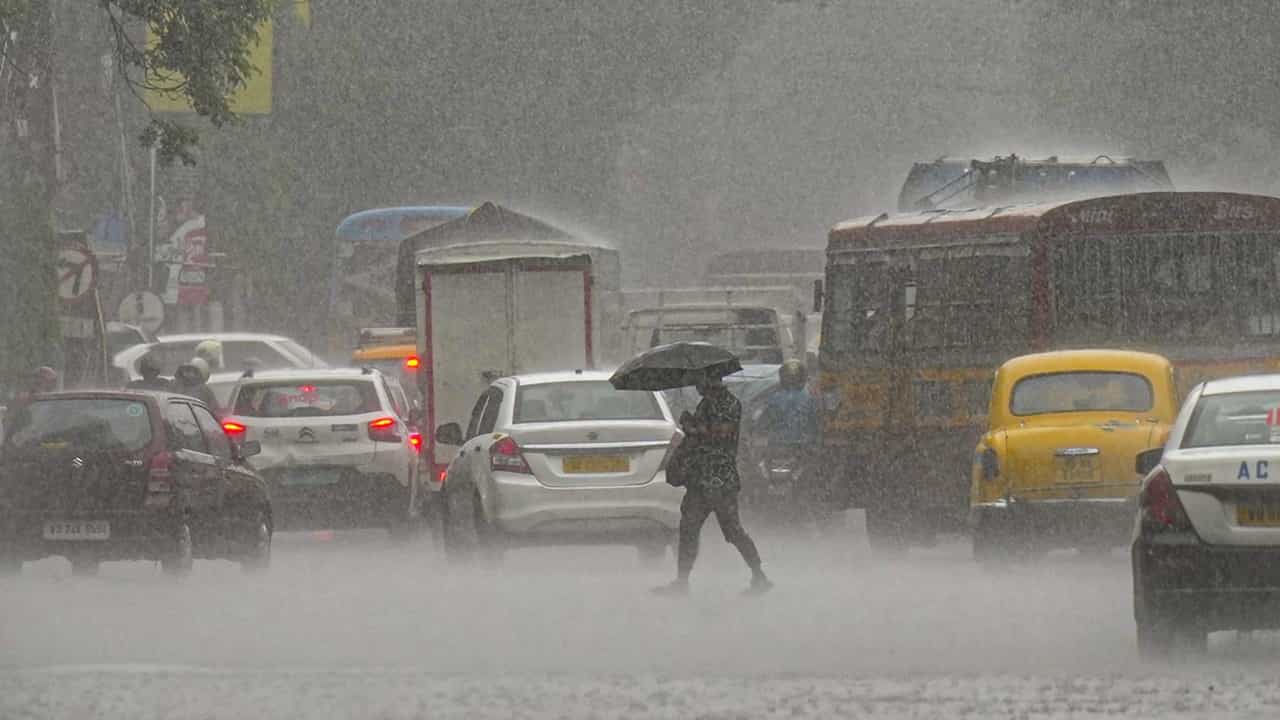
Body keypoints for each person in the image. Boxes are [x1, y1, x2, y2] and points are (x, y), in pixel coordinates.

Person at [653, 371, 771, 596]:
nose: (696, 385)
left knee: (732, 531)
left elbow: (721, 434)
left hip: (719, 480)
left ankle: (759, 575)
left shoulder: (729, 404)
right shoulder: (706, 404)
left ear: (709, 381)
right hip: (701, 480)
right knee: (689, 528)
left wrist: (693, 428)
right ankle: (682, 581)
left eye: (699, 381)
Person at [757, 360, 819, 449]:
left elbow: (763, 421)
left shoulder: (774, 398)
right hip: (803, 444)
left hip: (779, 443)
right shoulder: (810, 398)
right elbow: (815, 422)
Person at [3, 366, 59, 440]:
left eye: (42, 380)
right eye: (36, 378)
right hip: (22, 443)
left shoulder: (57, 404)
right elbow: (8, 422)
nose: (37, 381)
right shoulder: (21, 400)